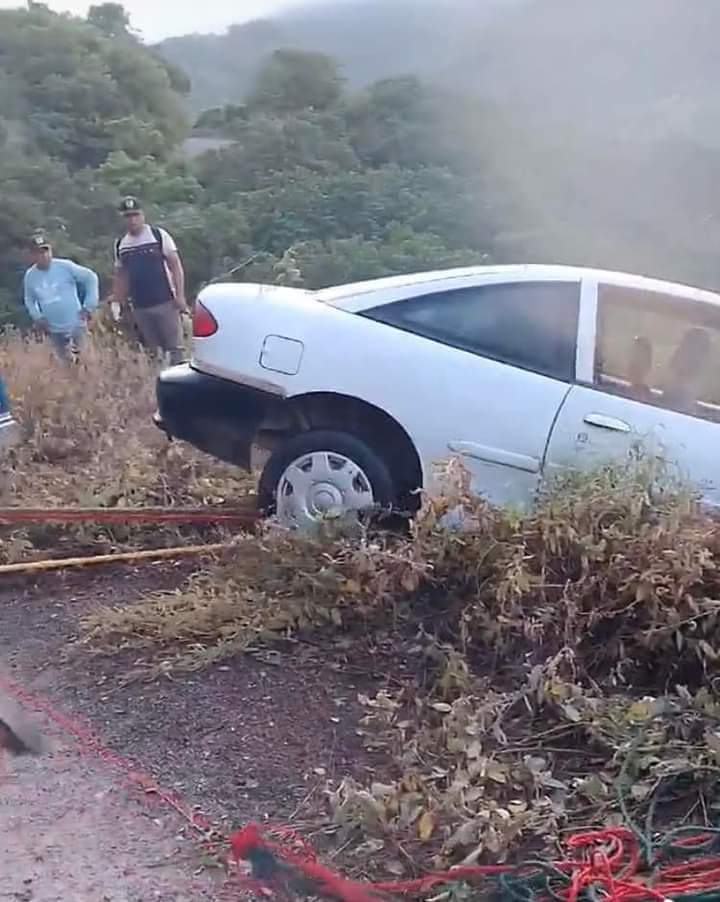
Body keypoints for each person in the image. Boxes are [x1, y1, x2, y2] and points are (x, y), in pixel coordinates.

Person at [112, 196, 188, 366]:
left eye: (135, 215)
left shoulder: (158, 235)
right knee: (153, 351)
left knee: (174, 348)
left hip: (165, 301)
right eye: (128, 216)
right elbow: (120, 274)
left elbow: (175, 265)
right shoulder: (121, 245)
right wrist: (117, 302)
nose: (132, 220)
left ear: (142, 215)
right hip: (140, 306)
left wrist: (180, 296)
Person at [23, 234, 99, 361]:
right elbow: (29, 299)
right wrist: (37, 316)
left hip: (76, 325)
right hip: (54, 330)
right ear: (32, 255)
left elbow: (90, 278)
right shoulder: (30, 276)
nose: (44, 255)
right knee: (64, 367)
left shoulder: (65, 266)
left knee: (85, 362)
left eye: (46, 250)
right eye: (39, 252)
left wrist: (89, 305)